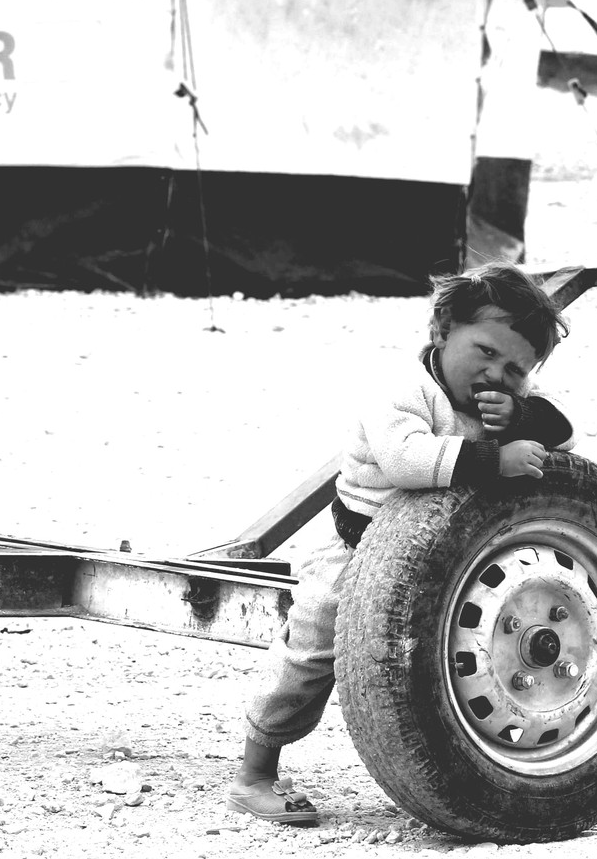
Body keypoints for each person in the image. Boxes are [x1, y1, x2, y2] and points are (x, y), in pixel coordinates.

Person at [226, 260, 575, 825]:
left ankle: (489, 766)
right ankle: (255, 773)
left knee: (447, 661)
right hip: (357, 551)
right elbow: (406, 460)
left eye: (516, 369)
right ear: (441, 331)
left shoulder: (502, 403)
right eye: (485, 352)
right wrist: (494, 457)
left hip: (449, 557)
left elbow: (565, 437)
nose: (496, 375)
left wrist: (521, 417)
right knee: (311, 654)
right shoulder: (403, 390)